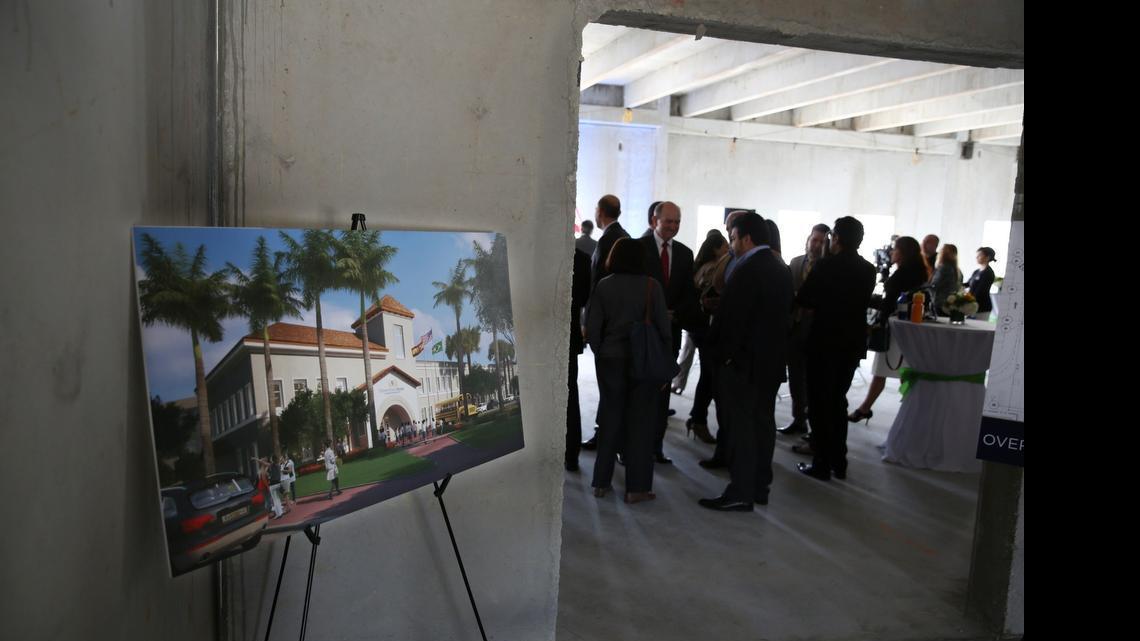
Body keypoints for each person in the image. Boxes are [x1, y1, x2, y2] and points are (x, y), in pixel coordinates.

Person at [698, 213, 793, 511]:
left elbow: (734, 322)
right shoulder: (779, 266)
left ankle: (740, 490)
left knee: (742, 429)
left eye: (734, 238)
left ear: (746, 238)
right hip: (769, 362)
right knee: (762, 424)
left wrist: (722, 355)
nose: (731, 244)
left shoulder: (749, 268)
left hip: (744, 364)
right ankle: (759, 486)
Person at [586, 237, 671, 504]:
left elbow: (593, 327)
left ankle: (601, 483)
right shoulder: (651, 286)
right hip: (643, 362)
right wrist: (665, 367)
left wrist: (601, 353)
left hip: (611, 359)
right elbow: (664, 330)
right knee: (641, 424)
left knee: (610, 419)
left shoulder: (604, 286)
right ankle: (637, 488)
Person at [794, 217, 877, 480]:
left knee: (819, 404)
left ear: (836, 238)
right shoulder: (868, 269)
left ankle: (821, 463)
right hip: (851, 343)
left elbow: (804, 299)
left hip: (823, 341)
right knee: (838, 401)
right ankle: (839, 462)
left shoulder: (825, 266)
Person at [846, 236, 931, 424]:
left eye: (895, 249)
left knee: (885, 370)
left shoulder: (902, 274)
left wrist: (867, 300)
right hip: (905, 329)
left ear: (903, 252)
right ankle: (873, 408)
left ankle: (872, 408)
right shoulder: (918, 271)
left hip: (894, 330)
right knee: (896, 371)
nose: (891, 252)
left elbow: (889, 303)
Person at [637, 201, 697, 465]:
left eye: (677, 221)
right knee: (639, 392)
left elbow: (688, 293)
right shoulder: (637, 248)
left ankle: (655, 447)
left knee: (662, 393)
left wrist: (677, 314)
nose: (673, 226)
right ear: (654, 221)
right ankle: (631, 447)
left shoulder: (684, 253)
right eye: (668, 221)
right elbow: (632, 289)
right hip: (642, 333)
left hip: (670, 334)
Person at [697, 210, 750, 469]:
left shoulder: (751, 264)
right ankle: (721, 447)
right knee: (715, 390)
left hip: (735, 347)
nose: (730, 236)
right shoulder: (730, 260)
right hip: (719, 339)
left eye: (734, 232)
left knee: (730, 403)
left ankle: (732, 457)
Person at [582, 194, 631, 451]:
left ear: (600, 212)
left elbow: (597, 286)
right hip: (622, 326)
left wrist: (589, 323)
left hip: (609, 327)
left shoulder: (609, 240)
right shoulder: (624, 236)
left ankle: (607, 438)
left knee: (609, 386)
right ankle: (612, 436)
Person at [675, 230, 728, 443]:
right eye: (725, 245)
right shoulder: (714, 269)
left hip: (697, 327)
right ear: (716, 249)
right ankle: (698, 419)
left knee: (708, 375)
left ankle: (697, 419)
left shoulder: (699, 266)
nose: (728, 249)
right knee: (710, 377)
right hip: (706, 328)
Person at [779, 223, 830, 435]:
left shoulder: (829, 267)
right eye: (814, 240)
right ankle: (798, 419)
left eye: (821, 241)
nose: (816, 245)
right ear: (807, 240)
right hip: (794, 327)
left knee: (814, 380)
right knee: (796, 376)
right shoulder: (795, 262)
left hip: (817, 331)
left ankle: (814, 427)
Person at [566, 247, 593, 472]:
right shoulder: (581, 258)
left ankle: (567, 453)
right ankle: (571, 454)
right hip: (569, 334)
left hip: (547, 336)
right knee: (570, 395)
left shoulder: (536, 250)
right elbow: (584, 298)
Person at [929, 243, 962, 314]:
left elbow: (934, 285)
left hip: (939, 303)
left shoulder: (943, 268)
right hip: (951, 304)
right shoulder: (958, 271)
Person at [967, 246, 997, 317]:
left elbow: (980, 291)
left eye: (979, 255)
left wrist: (967, 300)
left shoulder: (988, 273)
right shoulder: (976, 271)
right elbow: (968, 284)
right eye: (977, 255)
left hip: (982, 307)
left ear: (987, 257)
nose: (977, 257)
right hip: (972, 305)